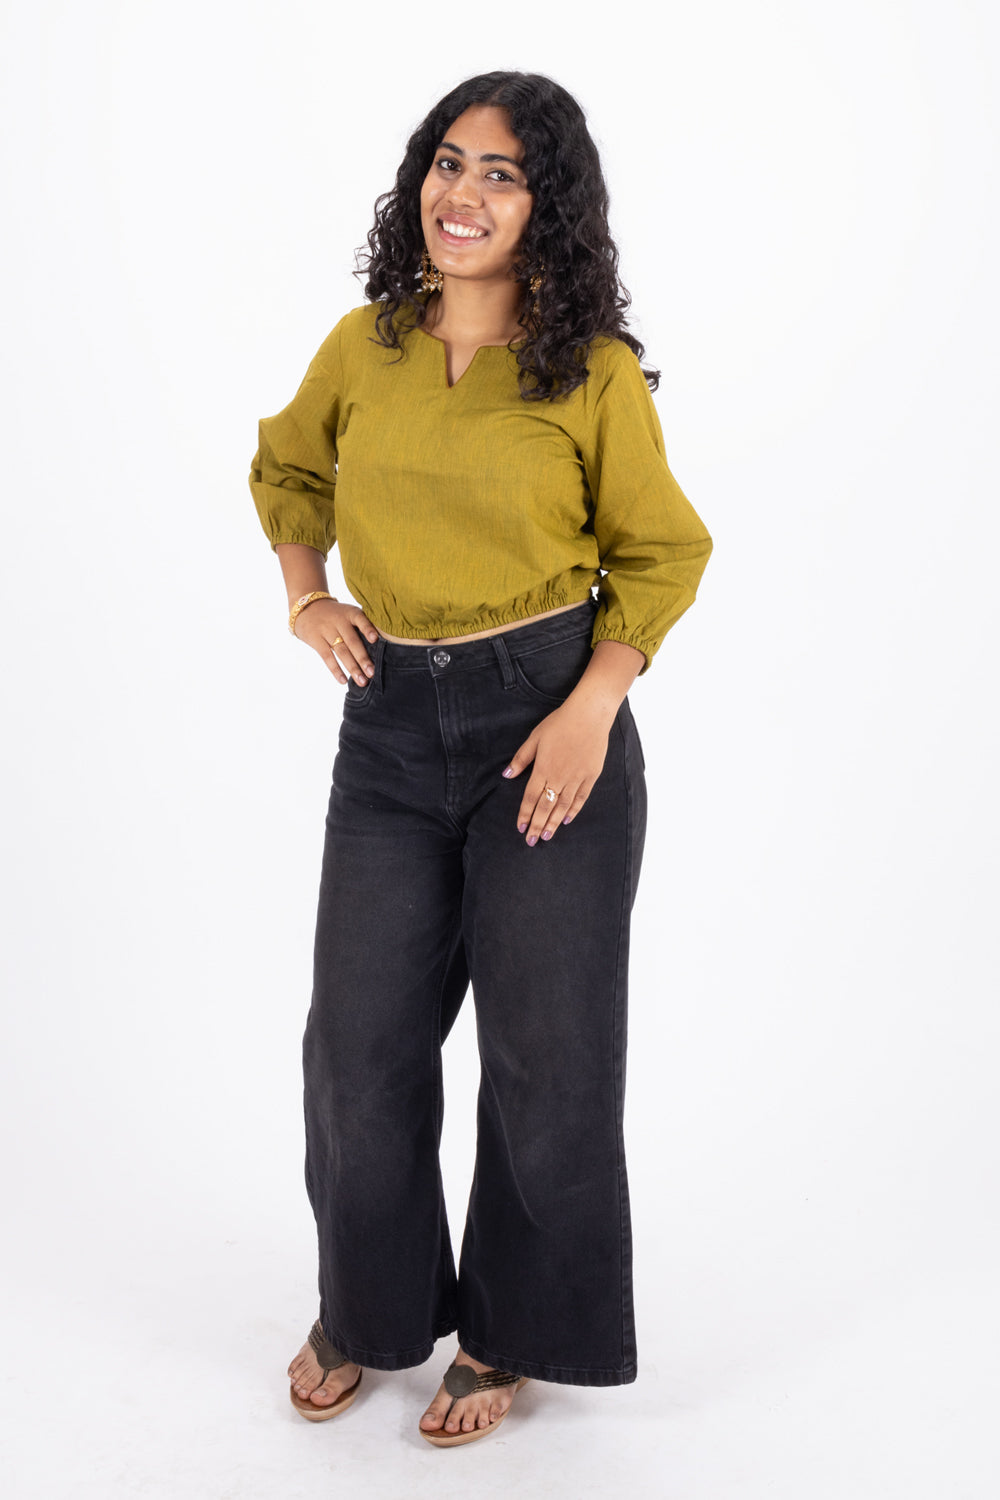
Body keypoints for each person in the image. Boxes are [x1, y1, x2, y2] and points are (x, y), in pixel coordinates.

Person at [248, 70, 713, 1448]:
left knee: (545, 1056)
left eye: (502, 175)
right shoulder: (367, 345)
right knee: (359, 1046)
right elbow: (290, 470)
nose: (463, 193)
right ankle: (369, 1309)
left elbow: (661, 551)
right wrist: (306, 595)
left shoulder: (592, 373)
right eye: (448, 163)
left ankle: (509, 1333)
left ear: (545, 207)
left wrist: (593, 704)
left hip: (548, 719)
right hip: (390, 724)